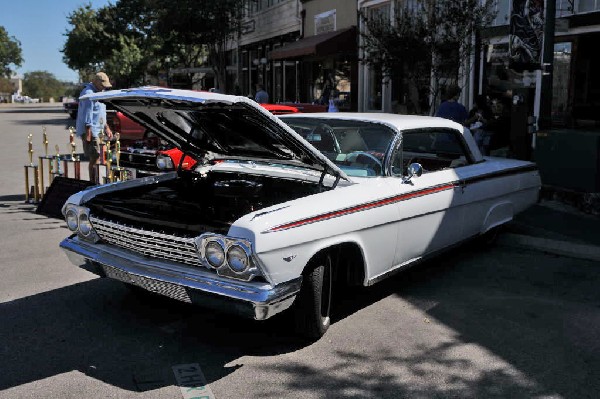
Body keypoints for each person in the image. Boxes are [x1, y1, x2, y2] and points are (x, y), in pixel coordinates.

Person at [75, 72, 113, 183]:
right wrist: (88, 134)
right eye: (103, 85)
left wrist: (106, 128)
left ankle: (98, 180)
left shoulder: (100, 92)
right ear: (96, 82)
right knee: (95, 157)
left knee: (102, 156)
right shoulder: (88, 93)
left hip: (99, 130)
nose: (105, 88)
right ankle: (93, 182)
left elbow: (101, 112)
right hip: (91, 131)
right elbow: (87, 113)